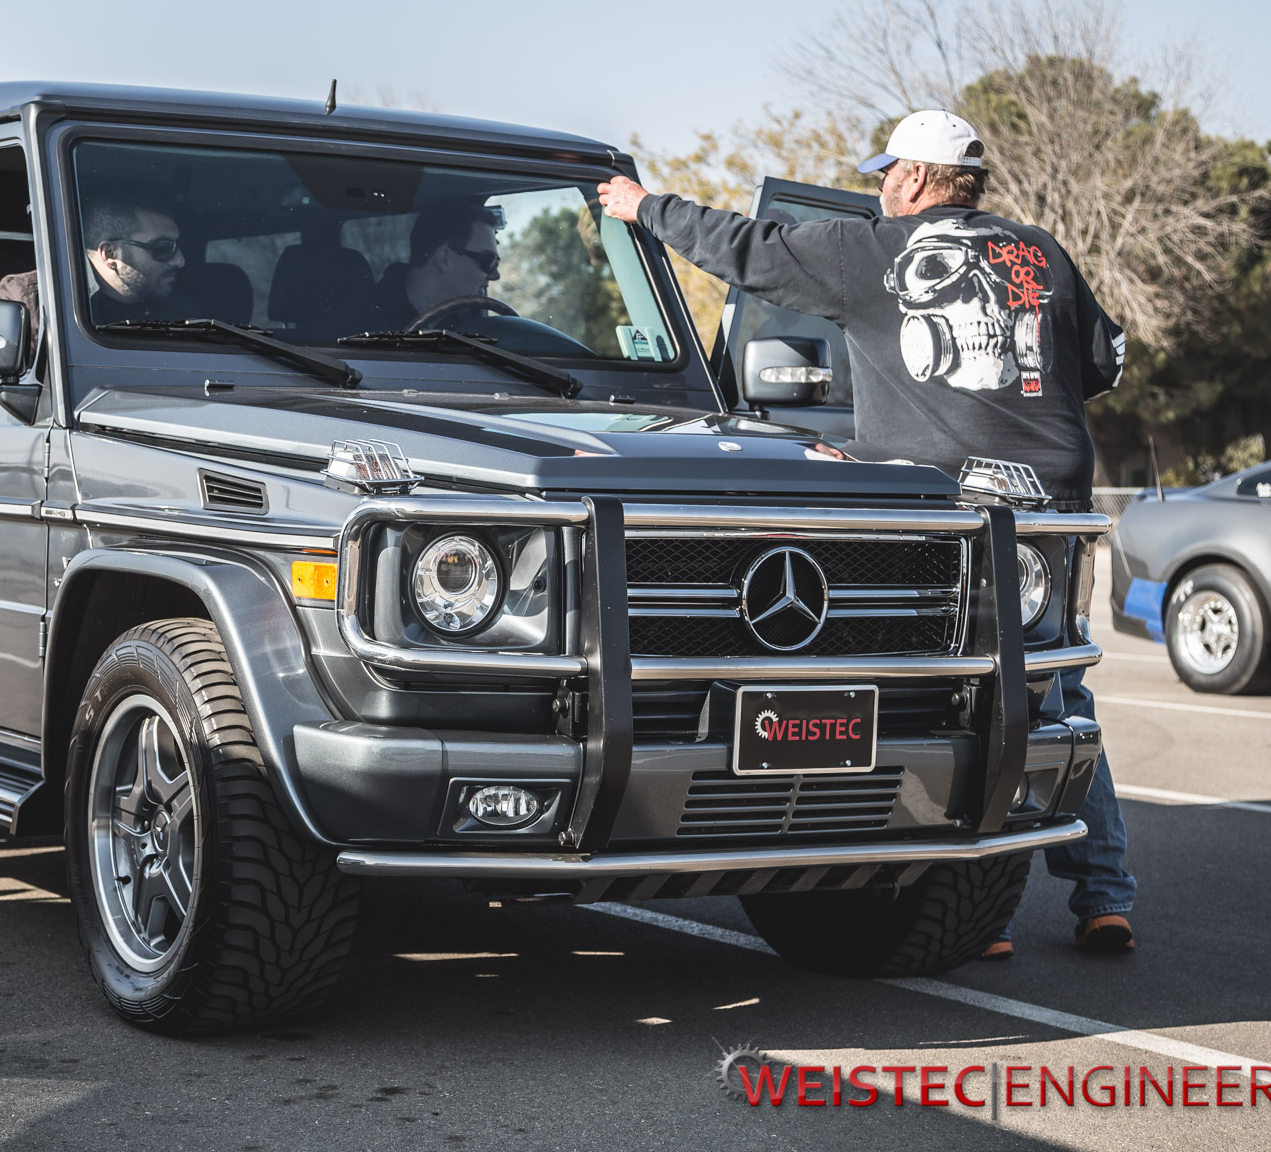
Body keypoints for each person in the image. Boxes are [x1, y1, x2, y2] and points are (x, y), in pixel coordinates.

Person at [597, 108, 1137, 957]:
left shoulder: (873, 251)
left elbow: (748, 248)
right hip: (1054, 506)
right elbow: (1104, 361)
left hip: (952, 509)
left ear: (915, 178)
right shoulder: (1041, 252)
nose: (880, 187)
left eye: (887, 173)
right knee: (1049, 690)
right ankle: (1099, 897)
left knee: (956, 695)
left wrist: (645, 207)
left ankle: (984, 907)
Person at [0, 203, 186, 339]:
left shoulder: (182, 307)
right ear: (110, 254)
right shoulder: (32, 300)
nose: (180, 261)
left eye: (179, 246)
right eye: (163, 248)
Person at [373, 203, 503, 327]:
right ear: (444, 258)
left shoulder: (468, 323)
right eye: (487, 261)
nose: (495, 275)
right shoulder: (367, 317)